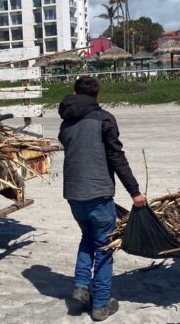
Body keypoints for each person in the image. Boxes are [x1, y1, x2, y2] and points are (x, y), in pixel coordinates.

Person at [58, 76, 147, 321]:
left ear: (75, 94)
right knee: (105, 247)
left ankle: (80, 287)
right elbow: (117, 157)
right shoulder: (104, 119)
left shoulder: (66, 122)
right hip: (98, 194)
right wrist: (135, 192)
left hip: (73, 195)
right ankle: (99, 304)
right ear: (96, 95)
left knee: (88, 238)